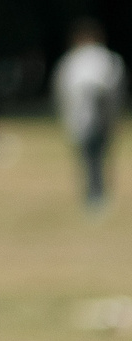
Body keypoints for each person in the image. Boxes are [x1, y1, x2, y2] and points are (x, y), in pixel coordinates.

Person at [52, 20, 124, 213]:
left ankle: (94, 195)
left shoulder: (72, 61)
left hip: (86, 116)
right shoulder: (107, 59)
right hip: (97, 116)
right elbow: (115, 89)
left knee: (89, 158)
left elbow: (62, 90)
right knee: (97, 157)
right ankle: (96, 194)